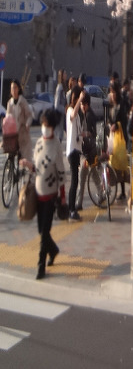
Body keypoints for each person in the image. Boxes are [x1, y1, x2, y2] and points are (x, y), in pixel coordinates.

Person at [21, 109, 66, 280]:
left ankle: (41, 265)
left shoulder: (56, 145)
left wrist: (62, 197)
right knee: (41, 230)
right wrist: (28, 164)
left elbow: (61, 173)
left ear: (53, 127)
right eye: (43, 124)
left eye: (47, 125)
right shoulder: (39, 142)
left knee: (45, 231)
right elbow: (37, 168)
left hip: (51, 195)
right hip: (38, 193)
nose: (44, 128)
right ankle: (53, 250)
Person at [106, 81, 129, 201]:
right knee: (112, 162)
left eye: (113, 92)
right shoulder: (111, 106)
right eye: (111, 92)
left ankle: (123, 191)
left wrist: (117, 125)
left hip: (120, 138)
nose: (112, 94)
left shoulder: (121, 105)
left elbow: (124, 122)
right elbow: (109, 120)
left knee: (119, 163)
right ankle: (113, 188)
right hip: (113, 137)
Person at [65, 84, 84, 221]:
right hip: (72, 151)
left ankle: (71, 209)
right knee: (74, 181)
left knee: (75, 181)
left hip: (76, 150)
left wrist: (84, 134)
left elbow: (76, 130)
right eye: (79, 98)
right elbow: (73, 115)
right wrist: (80, 100)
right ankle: (71, 210)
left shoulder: (77, 114)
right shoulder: (70, 110)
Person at [75, 91, 97, 211]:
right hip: (90, 149)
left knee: (82, 176)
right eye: (81, 104)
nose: (82, 106)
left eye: (84, 104)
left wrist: (84, 134)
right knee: (93, 173)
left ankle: (79, 203)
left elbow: (91, 132)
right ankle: (102, 194)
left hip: (88, 150)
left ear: (87, 104)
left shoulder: (88, 115)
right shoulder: (86, 114)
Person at [6, 79, 34, 162]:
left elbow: (29, 115)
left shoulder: (23, 101)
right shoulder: (10, 103)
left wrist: (27, 124)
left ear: (18, 89)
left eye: (15, 88)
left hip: (22, 132)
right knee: (10, 154)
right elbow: (8, 117)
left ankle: (22, 166)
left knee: (23, 156)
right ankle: (10, 166)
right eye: (12, 88)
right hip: (12, 132)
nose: (13, 90)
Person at [54, 71, 67, 143]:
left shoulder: (64, 86)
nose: (66, 75)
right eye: (64, 73)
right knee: (59, 135)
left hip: (63, 116)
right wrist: (64, 109)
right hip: (59, 115)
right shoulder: (60, 87)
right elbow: (56, 105)